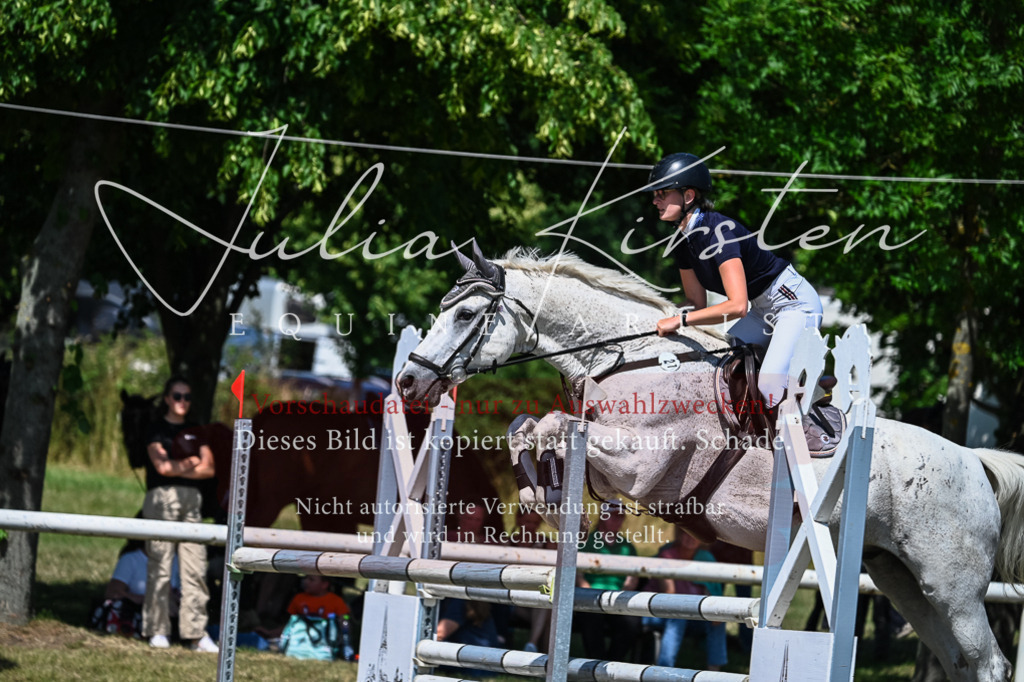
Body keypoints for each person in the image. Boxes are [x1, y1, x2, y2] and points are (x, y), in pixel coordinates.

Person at [650, 152, 823, 411]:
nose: (655, 201)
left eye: (662, 194)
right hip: (762, 311)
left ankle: (809, 404)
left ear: (688, 196)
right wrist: (659, 316)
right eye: (655, 195)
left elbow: (737, 306)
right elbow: (695, 303)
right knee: (722, 367)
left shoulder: (719, 232)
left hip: (794, 305)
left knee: (768, 386)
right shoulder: (683, 242)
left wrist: (680, 320)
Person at [142, 375, 218, 652]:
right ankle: (157, 629)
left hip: (192, 502)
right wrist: (190, 462)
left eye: (187, 397)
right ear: (167, 398)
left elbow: (209, 469)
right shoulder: (155, 429)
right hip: (162, 499)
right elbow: (161, 467)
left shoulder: (197, 431)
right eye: (177, 396)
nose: (182, 401)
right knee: (160, 566)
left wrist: (178, 467)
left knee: (195, 567)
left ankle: (196, 633)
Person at [641, 528, 727, 670]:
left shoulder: (706, 558)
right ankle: (664, 670)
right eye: (687, 532)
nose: (691, 537)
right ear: (679, 535)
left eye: (695, 534)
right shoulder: (667, 556)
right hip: (659, 612)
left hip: (691, 615)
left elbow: (713, 591)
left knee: (718, 619)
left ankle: (714, 671)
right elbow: (669, 594)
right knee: (678, 616)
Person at [575, 500, 642, 661]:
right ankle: (595, 664)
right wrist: (589, 594)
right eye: (614, 516)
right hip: (590, 597)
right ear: (603, 516)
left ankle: (611, 665)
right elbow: (578, 575)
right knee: (591, 618)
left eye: (621, 516)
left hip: (618, 598)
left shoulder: (627, 547)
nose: (618, 520)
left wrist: (622, 595)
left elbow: (633, 579)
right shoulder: (586, 541)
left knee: (631, 623)